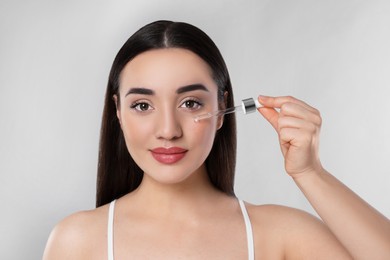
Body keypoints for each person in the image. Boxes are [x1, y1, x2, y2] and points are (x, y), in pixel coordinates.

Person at [43, 20, 390, 259]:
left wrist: (311, 174)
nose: (168, 129)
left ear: (223, 106)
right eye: (143, 105)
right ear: (118, 111)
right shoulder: (77, 240)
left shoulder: (278, 234)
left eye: (190, 103)